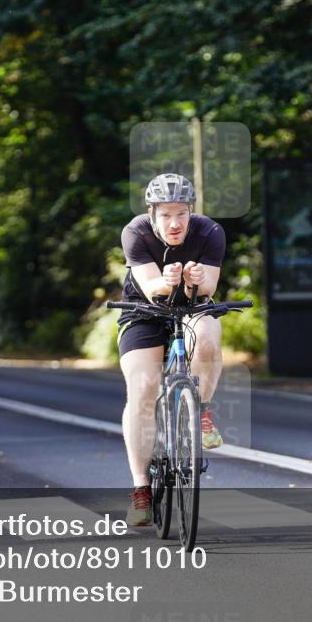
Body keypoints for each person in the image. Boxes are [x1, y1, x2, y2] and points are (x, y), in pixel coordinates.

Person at [116, 173, 227, 526]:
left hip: (193, 307)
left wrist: (196, 281)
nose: (175, 223)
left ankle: (202, 410)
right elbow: (151, 288)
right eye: (165, 214)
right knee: (143, 389)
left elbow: (210, 284)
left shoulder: (210, 232)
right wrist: (166, 281)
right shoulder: (135, 232)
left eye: (181, 213)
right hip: (143, 312)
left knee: (208, 334)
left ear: (191, 211)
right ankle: (141, 489)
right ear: (152, 214)